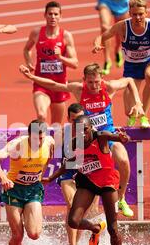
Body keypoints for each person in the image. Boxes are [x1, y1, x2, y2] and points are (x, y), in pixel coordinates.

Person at [20, 62, 142, 217]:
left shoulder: (109, 87)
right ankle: (87, 220)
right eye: (90, 82)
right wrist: (31, 77)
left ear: (101, 79)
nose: (93, 86)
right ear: (84, 80)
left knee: (123, 160)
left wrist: (137, 102)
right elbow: (55, 85)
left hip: (107, 135)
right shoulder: (79, 89)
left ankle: (121, 198)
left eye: (96, 82)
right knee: (92, 187)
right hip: (88, 141)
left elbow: (130, 81)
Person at [43, 115, 130, 245]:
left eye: (85, 130)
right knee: (73, 221)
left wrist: (123, 137)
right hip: (88, 182)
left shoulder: (101, 137)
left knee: (112, 227)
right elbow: (67, 164)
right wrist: (51, 178)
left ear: (91, 129)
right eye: (78, 130)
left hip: (107, 183)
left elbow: (117, 137)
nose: (82, 133)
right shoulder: (75, 144)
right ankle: (96, 228)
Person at [92, 0, 150, 128]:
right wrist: (96, 45)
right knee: (128, 110)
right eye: (134, 14)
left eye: (141, 14)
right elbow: (102, 36)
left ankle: (144, 116)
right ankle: (133, 115)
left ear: (146, 13)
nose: (138, 18)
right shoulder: (122, 26)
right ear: (129, 13)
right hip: (131, 65)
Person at [0, 120, 55, 245]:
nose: (38, 142)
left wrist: (40, 175)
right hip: (14, 190)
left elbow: (47, 159)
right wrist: (2, 177)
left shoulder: (49, 142)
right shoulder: (17, 145)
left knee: (34, 234)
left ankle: (23, 233)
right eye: (35, 138)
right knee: (18, 235)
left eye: (41, 138)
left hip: (33, 190)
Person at [57, 103, 100, 245]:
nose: (77, 123)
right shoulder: (63, 132)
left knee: (82, 214)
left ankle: (90, 231)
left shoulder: (93, 134)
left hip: (88, 175)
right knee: (72, 206)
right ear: (68, 119)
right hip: (68, 175)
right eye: (74, 120)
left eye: (80, 119)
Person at [23, 1, 79, 124]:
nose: (53, 17)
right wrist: (29, 62)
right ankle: (40, 142)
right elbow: (26, 49)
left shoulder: (66, 36)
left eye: (55, 14)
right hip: (41, 85)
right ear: (45, 15)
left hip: (59, 86)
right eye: (50, 14)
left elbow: (75, 63)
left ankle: (52, 143)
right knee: (41, 116)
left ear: (60, 16)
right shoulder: (36, 33)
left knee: (56, 126)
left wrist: (61, 57)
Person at [95, 0, 130, 75]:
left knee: (121, 28)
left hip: (122, 1)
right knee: (104, 27)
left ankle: (117, 49)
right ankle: (107, 60)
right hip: (105, 0)